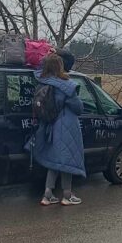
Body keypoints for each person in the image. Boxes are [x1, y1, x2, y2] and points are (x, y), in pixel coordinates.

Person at [29, 54, 85, 206]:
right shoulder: (67, 86)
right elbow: (79, 108)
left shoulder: (41, 81)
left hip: (49, 125)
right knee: (66, 161)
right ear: (59, 67)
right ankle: (67, 195)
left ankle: (47, 195)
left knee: (54, 161)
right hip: (66, 125)